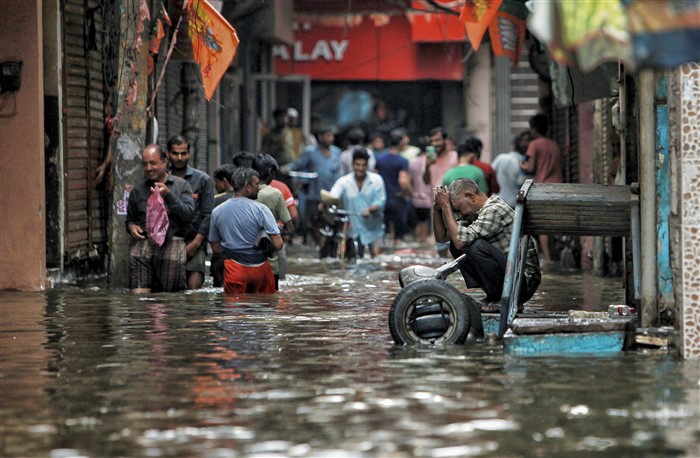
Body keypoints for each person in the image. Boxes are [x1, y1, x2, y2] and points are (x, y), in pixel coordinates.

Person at [433, 178, 540, 310]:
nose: (459, 216)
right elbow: (442, 237)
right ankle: (495, 295)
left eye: (459, 209)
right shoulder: (474, 215)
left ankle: (508, 299)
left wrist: (446, 207)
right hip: (511, 276)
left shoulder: (494, 209)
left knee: (475, 246)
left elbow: (461, 241)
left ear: (470, 197)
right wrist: (437, 209)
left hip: (523, 282)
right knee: (455, 243)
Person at [126, 144, 194, 293]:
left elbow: (188, 216)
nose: (149, 168)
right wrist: (132, 227)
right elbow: (130, 219)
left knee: (169, 299)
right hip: (145, 245)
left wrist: (168, 195)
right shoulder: (138, 190)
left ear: (164, 162)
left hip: (172, 244)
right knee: (139, 297)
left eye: (153, 163)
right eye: (145, 164)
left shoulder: (181, 186)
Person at [209, 168, 283, 294]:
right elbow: (278, 244)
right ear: (247, 186)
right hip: (261, 271)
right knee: (265, 310)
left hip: (234, 270)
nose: (259, 188)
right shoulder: (261, 210)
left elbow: (215, 248)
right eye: (256, 184)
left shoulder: (217, 211)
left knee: (235, 310)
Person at [166, 135, 215, 290]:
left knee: (193, 291)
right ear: (168, 154)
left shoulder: (202, 180)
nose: (179, 158)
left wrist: (195, 244)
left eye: (183, 153)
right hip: (167, 241)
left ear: (189, 154)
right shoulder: (161, 179)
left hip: (194, 241)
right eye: (175, 153)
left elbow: (207, 215)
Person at [285, 125, 341, 245]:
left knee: (332, 221)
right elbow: (298, 164)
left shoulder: (336, 152)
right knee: (313, 222)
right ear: (320, 137)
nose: (331, 138)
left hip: (331, 194)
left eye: (332, 136)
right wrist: (286, 168)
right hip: (314, 193)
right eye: (327, 135)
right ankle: (320, 244)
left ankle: (329, 244)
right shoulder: (310, 152)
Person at [520, 113, 564, 263]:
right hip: (559, 186)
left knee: (543, 224)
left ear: (533, 129)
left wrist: (521, 164)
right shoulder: (554, 143)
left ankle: (547, 258)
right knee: (554, 222)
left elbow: (530, 167)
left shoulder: (535, 144)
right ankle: (554, 254)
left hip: (543, 187)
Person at [327, 147, 386, 258]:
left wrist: (371, 209)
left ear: (367, 165)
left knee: (377, 261)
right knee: (351, 260)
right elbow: (333, 195)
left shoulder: (376, 180)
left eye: (363, 165)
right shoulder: (343, 182)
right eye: (357, 165)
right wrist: (327, 202)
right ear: (353, 164)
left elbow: (381, 200)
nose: (360, 168)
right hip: (352, 230)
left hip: (374, 229)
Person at [253, 154, 294, 290]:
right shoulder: (275, 193)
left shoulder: (244, 192)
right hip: (270, 262)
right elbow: (290, 225)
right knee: (271, 302)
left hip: (245, 261)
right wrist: (282, 230)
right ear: (271, 172)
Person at [424, 127, 458, 256]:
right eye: (432, 141)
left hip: (454, 205)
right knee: (440, 245)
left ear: (445, 140)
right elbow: (426, 180)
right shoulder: (428, 159)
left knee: (456, 243)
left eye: (438, 140)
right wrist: (427, 166)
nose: (435, 144)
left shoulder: (455, 157)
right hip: (437, 205)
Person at [376, 128, 412, 246]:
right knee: (398, 238)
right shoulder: (402, 161)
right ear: (400, 142)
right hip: (396, 198)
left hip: (381, 199)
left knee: (383, 236)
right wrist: (405, 193)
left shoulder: (379, 158)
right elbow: (403, 181)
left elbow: (374, 177)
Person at [210, 163, 237, 287]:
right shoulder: (248, 200)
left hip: (221, 256)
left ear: (224, 181)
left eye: (216, 182)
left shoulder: (215, 201)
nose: (215, 186)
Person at [491, 130, 531, 208]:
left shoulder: (501, 158)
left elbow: (490, 174)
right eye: (526, 140)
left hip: (498, 202)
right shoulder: (524, 164)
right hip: (515, 205)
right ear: (518, 142)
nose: (528, 143)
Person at [261, 108, 295, 190]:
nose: (284, 120)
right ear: (276, 118)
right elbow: (265, 154)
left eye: (285, 117)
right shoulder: (269, 135)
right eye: (281, 117)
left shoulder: (288, 132)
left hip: (289, 169)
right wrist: (277, 145)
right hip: (277, 170)